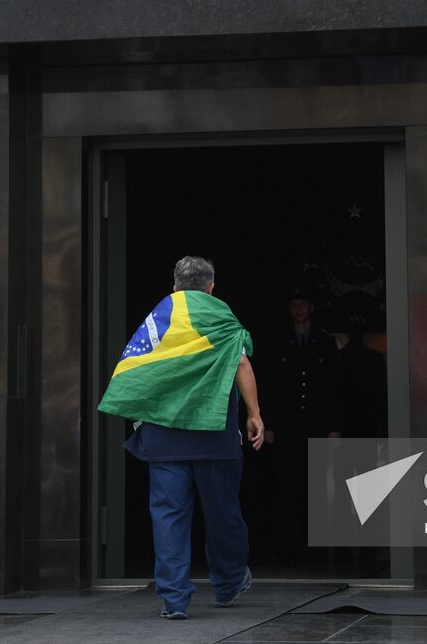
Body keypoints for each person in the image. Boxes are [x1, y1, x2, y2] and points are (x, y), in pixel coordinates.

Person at [97, 256, 264, 620]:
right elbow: (242, 364)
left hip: (164, 438)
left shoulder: (159, 317)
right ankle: (229, 583)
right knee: (223, 514)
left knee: (169, 517)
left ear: (174, 286)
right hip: (214, 438)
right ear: (211, 287)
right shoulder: (220, 315)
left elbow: (137, 367)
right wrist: (254, 414)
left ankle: (174, 600)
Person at [261, 288, 341, 560]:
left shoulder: (324, 341)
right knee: (286, 488)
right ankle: (288, 547)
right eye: (294, 304)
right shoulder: (279, 341)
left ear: (311, 308)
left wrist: (334, 427)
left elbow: (334, 387)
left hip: (316, 425)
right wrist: (268, 424)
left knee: (316, 488)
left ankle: (315, 549)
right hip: (286, 427)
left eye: (303, 304)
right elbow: (270, 386)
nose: (299, 310)